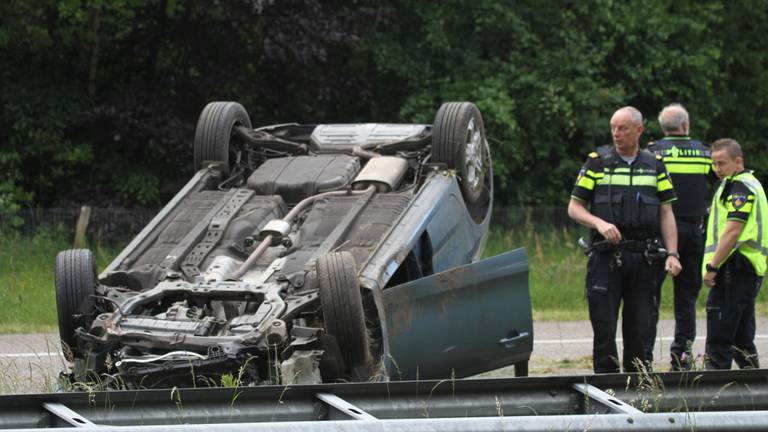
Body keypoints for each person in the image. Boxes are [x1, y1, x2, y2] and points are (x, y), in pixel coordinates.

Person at [568, 106, 682, 373]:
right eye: (613, 128)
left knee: (640, 329)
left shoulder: (654, 165)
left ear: (639, 130)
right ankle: (608, 391)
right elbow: (574, 207)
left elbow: (666, 212)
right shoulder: (597, 162)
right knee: (604, 327)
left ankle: (638, 389)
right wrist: (599, 223)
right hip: (606, 257)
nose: (616, 134)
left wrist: (673, 254)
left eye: (623, 128)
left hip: (644, 259)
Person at [645, 103, 715, 370]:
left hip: (660, 231)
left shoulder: (652, 153)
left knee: (650, 296)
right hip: (694, 230)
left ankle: (645, 357)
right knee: (686, 297)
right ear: (685, 126)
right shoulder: (704, 152)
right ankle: (681, 358)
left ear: (664, 128)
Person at [702, 138, 767, 370]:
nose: (717, 169)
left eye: (722, 163)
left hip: (734, 268)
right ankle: (756, 395)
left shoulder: (739, 187)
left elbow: (732, 231)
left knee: (719, 341)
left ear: (737, 161)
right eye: (714, 164)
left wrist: (712, 266)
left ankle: (713, 401)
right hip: (746, 269)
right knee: (742, 341)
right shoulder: (747, 183)